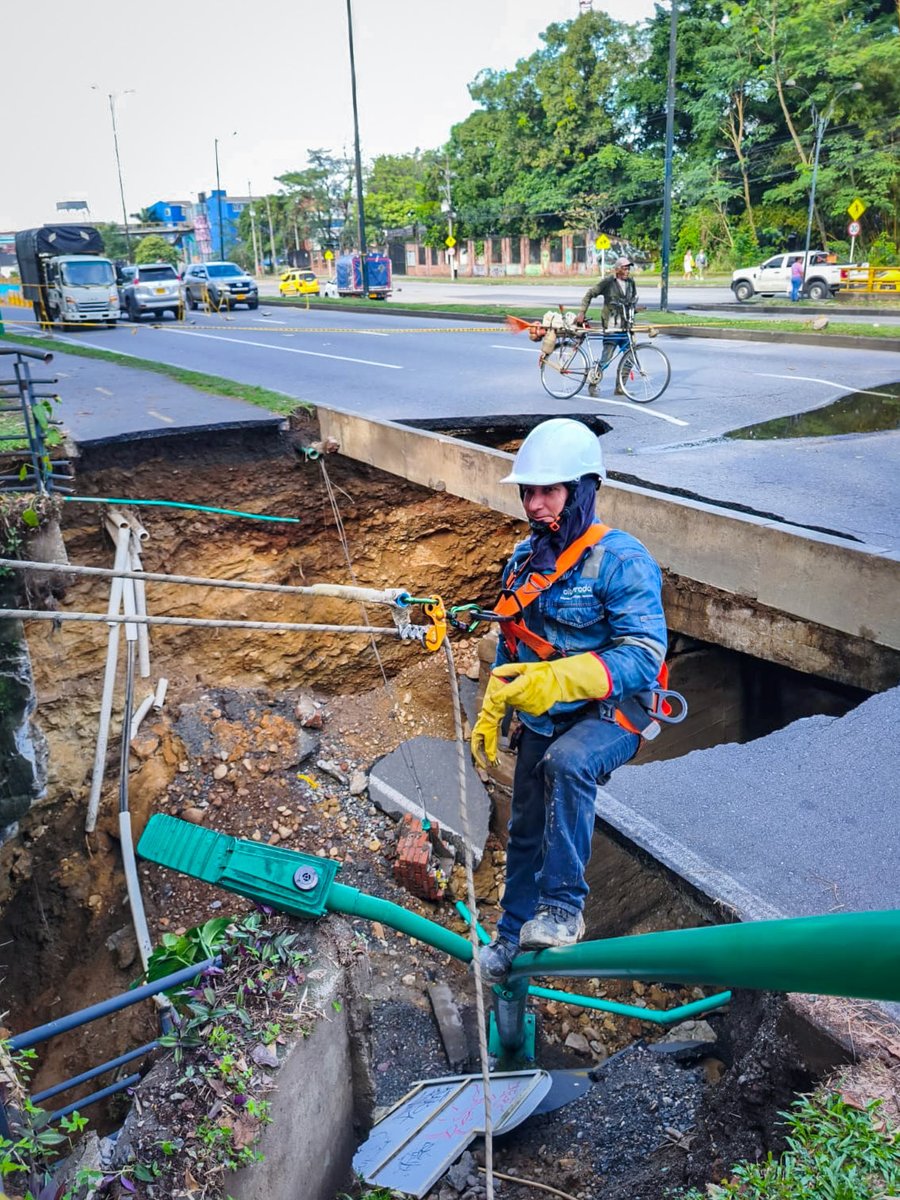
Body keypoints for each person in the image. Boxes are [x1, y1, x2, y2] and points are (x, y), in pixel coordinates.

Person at [470, 419, 669, 983]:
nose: (534, 504)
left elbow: (644, 656)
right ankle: (511, 935)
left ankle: (563, 910)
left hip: (613, 714)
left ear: (581, 490)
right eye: (528, 491)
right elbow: (514, 641)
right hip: (544, 715)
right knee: (525, 825)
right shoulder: (524, 562)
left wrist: (561, 680)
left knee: (568, 763)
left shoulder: (621, 560)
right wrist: (498, 706)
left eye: (549, 491)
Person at [575, 256, 638, 395]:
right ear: (618, 269)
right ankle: (593, 383)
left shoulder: (631, 283)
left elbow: (632, 301)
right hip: (611, 328)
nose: (627, 271)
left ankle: (620, 387)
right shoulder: (608, 282)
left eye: (628, 268)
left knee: (630, 358)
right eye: (625, 268)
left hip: (626, 327)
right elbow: (590, 294)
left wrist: (635, 309)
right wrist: (582, 312)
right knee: (606, 359)